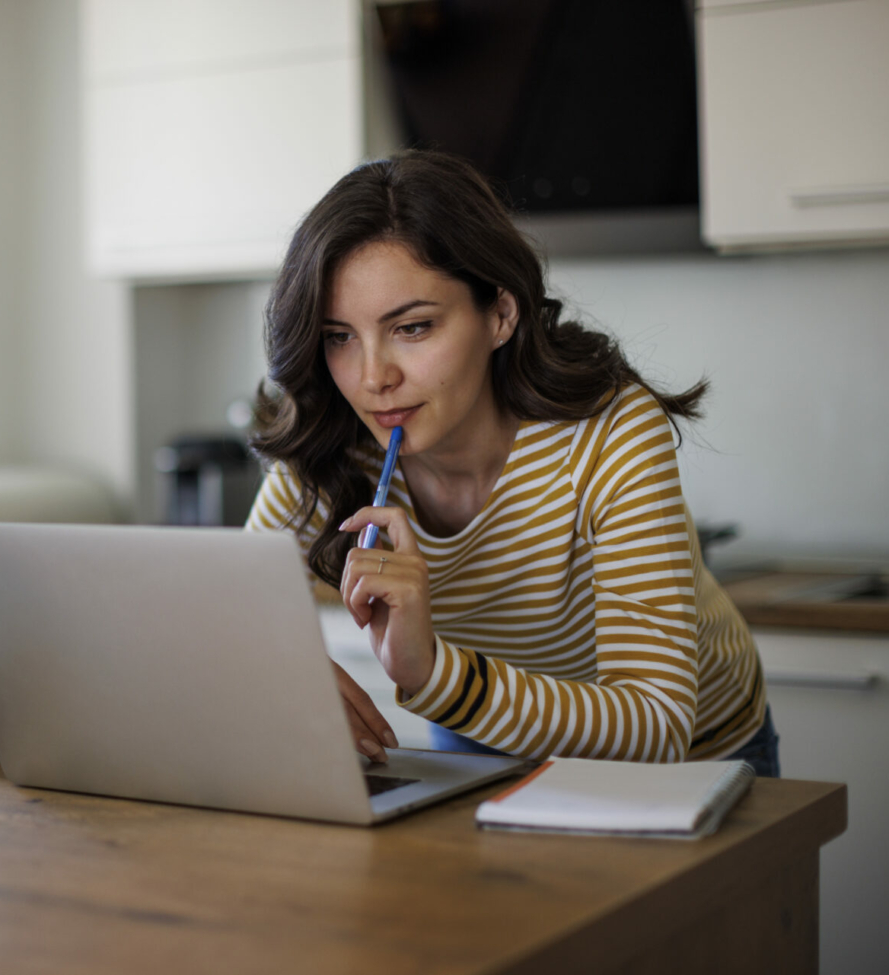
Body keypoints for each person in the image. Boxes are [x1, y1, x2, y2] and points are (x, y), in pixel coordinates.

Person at [245, 151, 778, 777]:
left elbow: (657, 722)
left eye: (413, 328)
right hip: (485, 737)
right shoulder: (334, 440)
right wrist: (284, 671)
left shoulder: (609, 431)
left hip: (693, 758)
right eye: (339, 337)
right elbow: (231, 618)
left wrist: (436, 675)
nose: (372, 379)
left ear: (500, 313)